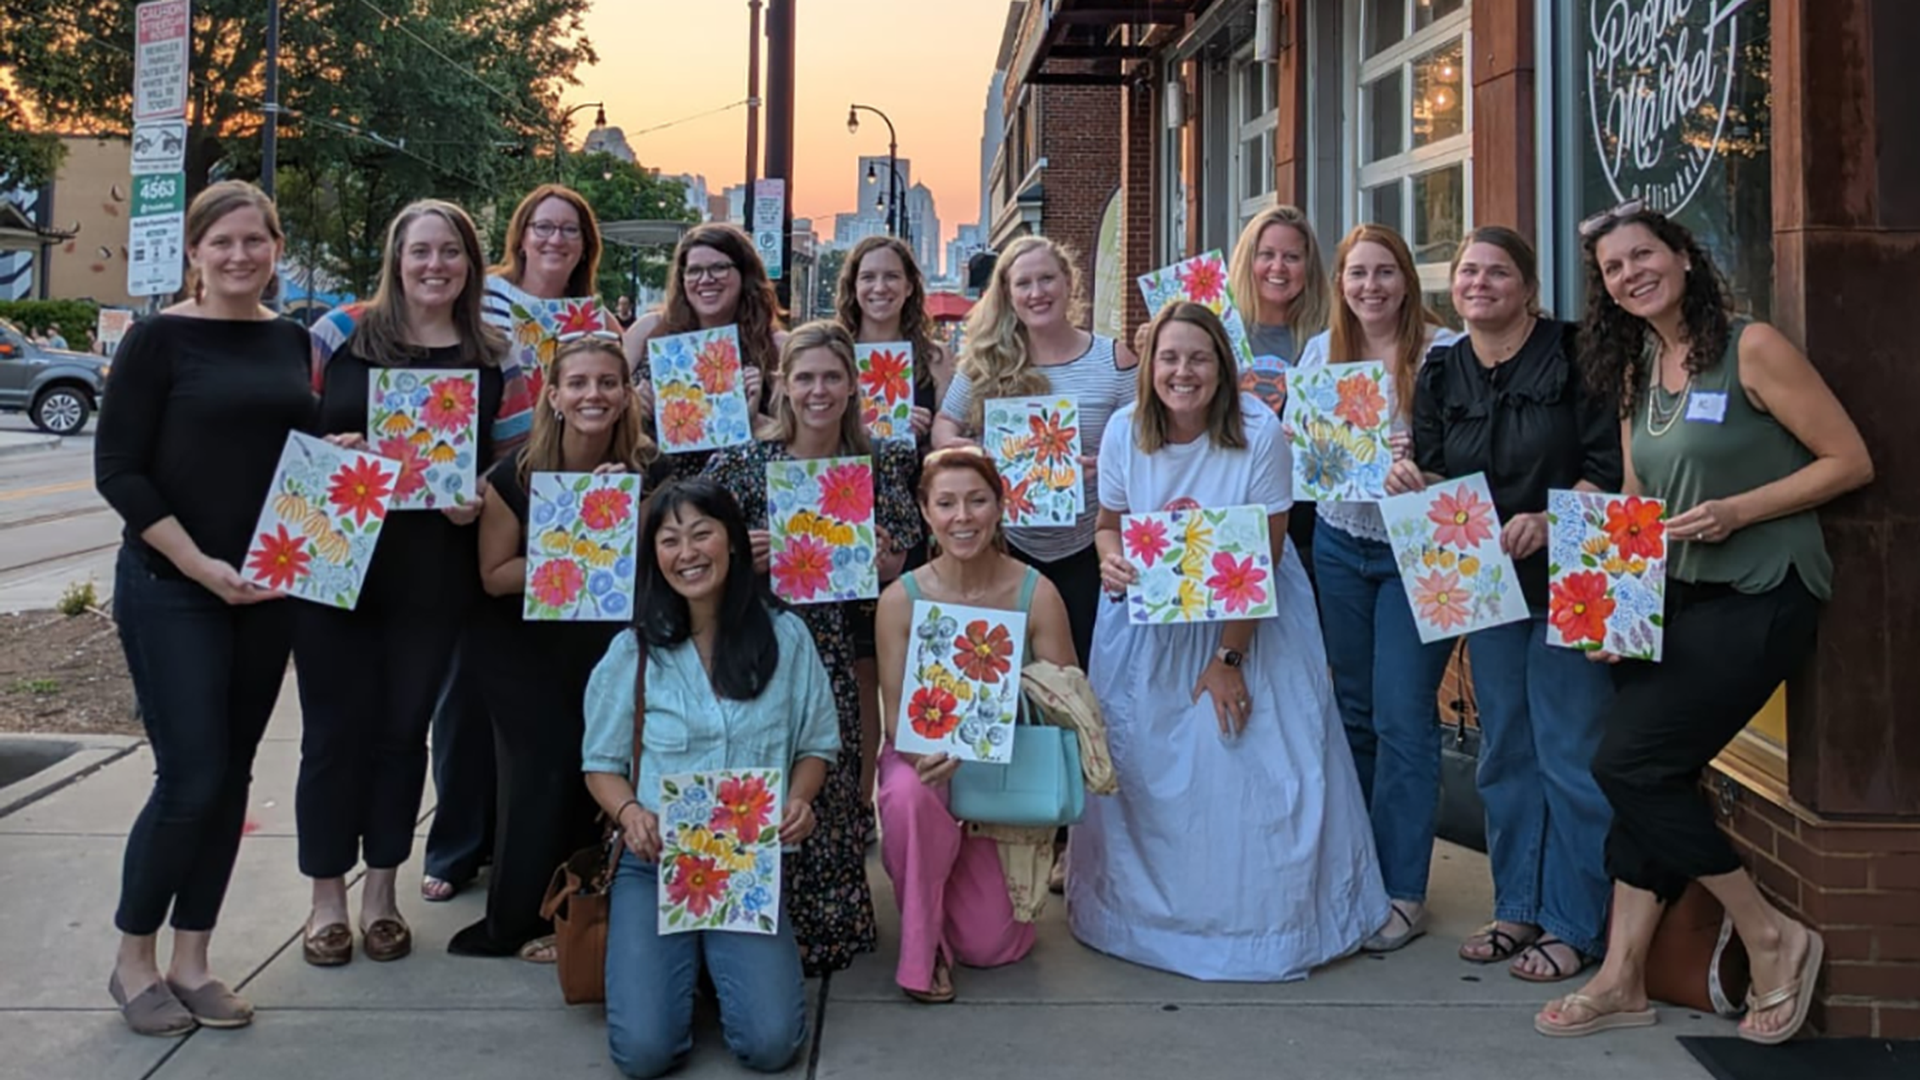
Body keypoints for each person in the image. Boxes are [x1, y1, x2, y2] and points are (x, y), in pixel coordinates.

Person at [1534, 207, 1871, 1042]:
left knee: (1630, 764)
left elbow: (1851, 460)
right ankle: (1621, 978)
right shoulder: (1636, 368)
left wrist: (1737, 511)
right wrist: (1596, 535)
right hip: (1675, 598)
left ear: (1684, 256)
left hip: (1764, 591)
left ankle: (1771, 934)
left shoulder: (1751, 348)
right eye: (1614, 268)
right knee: (1648, 773)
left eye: (1644, 254)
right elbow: (1642, 504)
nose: (1631, 274)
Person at [1073, 301, 1387, 980]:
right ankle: (1143, 916)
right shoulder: (1127, 431)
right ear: (1150, 365)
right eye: (1169, 357)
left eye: (1198, 357)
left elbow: (1265, 558)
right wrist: (1109, 557)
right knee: (1146, 770)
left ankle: (1261, 928)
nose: (1182, 372)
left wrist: (1228, 659)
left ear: (1222, 364)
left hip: (1248, 623)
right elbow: (1108, 523)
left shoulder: (1259, 432)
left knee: (1244, 767)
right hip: (1149, 627)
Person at [93, 180, 314, 1036]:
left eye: (255, 240)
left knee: (232, 779)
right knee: (190, 776)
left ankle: (193, 958)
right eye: (222, 242)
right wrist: (198, 563)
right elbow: (119, 471)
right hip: (171, 586)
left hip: (265, 590)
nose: (239, 256)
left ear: (275, 247)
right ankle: (132, 960)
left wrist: (334, 453)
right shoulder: (157, 339)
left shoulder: (291, 339)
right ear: (194, 251)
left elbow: (281, 449)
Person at [1388, 226, 1620, 982]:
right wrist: (1407, 479)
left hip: (1577, 573)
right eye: (1466, 273)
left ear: (1526, 285)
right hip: (1482, 579)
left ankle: (1576, 923)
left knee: (1571, 753)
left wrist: (1554, 519)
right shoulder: (1443, 369)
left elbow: (1609, 463)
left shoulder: (1578, 352)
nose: (1479, 284)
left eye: (1496, 272)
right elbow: (1429, 465)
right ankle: (1517, 905)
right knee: (1505, 753)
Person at [294, 200, 510, 966]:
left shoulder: (494, 354)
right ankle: (325, 899)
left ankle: (380, 892)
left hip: (433, 566)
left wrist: (477, 495)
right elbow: (286, 432)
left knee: (401, 733)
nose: (434, 266)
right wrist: (330, 447)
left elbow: (510, 464)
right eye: (421, 252)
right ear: (397, 258)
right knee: (330, 735)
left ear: (470, 263)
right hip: (336, 558)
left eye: (450, 252)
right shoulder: (339, 333)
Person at [583, 478, 838, 1079]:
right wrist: (631, 815)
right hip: (656, 861)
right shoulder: (636, 650)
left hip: (745, 867)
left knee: (772, 1046)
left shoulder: (786, 637)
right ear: (654, 556)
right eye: (669, 541)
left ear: (733, 542)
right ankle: (677, 966)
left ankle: (712, 964)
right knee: (642, 1055)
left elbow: (816, 745)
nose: (687, 552)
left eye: (702, 533)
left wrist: (800, 801)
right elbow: (600, 764)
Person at [701, 321, 923, 975]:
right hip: (759, 645)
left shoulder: (880, 462)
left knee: (831, 781)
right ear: (783, 386)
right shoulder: (744, 466)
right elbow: (691, 542)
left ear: (854, 384)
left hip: (839, 648)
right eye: (804, 378)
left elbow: (902, 558)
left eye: (831, 377)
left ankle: (831, 919)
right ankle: (747, 917)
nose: (818, 391)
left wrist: (886, 557)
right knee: (759, 775)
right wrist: (744, 553)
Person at [446, 332, 658, 960]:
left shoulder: (650, 470)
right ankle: (522, 916)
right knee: (543, 762)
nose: (594, 394)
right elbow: (493, 575)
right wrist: (580, 534)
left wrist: (625, 515)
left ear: (625, 396)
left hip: (609, 639)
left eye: (607, 383)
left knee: (604, 762)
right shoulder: (515, 475)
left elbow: (663, 561)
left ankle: (588, 907)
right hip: (520, 640)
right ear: (555, 396)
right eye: (580, 383)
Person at [1299, 225, 1463, 952]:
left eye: (1385, 272)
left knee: (1404, 718)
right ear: (1340, 283)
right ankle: (1358, 875)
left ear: (1407, 279)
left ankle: (1402, 889)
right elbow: (1297, 447)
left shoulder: (1446, 351)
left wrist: (1425, 468)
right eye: (1357, 274)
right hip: (1340, 542)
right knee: (1356, 713)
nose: (1371, 286)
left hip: (1420, 546)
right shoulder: (1320, 353)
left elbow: (1478, 452)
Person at [872, 446, 1078, 1002]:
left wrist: (1002, 698)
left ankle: (944, 879)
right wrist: (921, 756)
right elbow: (896, 719)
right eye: (946, 503)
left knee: (993, 947)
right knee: (911, 794)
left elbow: (1066, 700)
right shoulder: (900, 599)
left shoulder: (1038, 592)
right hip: (927, 761)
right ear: (925, 513)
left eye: (976, 501)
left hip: (1003, 765)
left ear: (999, 506)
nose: (962, 517)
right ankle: (922, 949)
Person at [931, 235, 1138, 666]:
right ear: (1007, 294)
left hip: (1090, 547)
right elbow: (945, 425)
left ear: (1068, 284)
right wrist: (971, 454)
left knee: (1085, 673)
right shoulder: (987, 361)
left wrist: (1110, 464)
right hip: (1008, 545)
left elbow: (1148, 441)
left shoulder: (1114, 360)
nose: (1037, 292)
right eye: (1023, 283)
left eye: (1047, 279)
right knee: (1007, 670)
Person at [834, 234, 955, 808]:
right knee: (858, 667)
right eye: (867, 278)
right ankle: (861, 800)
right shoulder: (834, 351)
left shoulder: (932, 360)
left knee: (913, 661)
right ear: (852, 288)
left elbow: (958, 442)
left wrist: (931, 429)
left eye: (891, 277)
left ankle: (916, 792)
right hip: (841, 526)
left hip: (915, 529)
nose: (879, 287)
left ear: (910, 286)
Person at [623, 223, 787, 479]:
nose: (706, 279)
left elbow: (800, 438)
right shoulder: (648, 332)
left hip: (742, 492)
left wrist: (756, 422)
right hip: (662, 493)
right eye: (694, 271)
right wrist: (633, 407)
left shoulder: (778, 346)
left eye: (719, 268)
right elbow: (608, 412)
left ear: (745, 273)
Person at [1228, 205, 1332, 573]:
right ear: (1248, 260)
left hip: (1305, 511)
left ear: (1309, 266)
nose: (1278, 268)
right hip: (1232, 497)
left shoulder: (1330, 336)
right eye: (1267, 255)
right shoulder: (1219, 331)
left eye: (1292, 257)